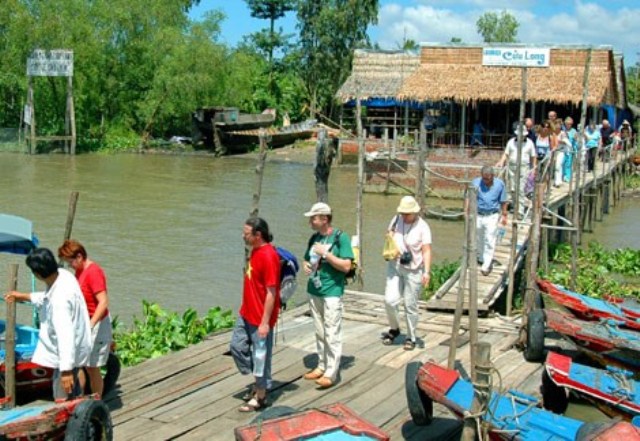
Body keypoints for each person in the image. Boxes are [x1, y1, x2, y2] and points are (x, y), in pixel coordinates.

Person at [4, 248, 91, 400]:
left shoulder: (59, 303)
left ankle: (71, 421)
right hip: (77, 348)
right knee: (74, 393)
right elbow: (47, 298)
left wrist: (66, 370)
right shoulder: (64, 276)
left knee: (62, 397)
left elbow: (65, 335)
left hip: (66, 355)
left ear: (37, 274)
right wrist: (25, 296)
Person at [230, 217, 281, 412]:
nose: (243, 236)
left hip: (260, 317)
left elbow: (271, 292)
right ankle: (260, 379)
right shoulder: (256, 251)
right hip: (246, 312)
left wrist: (265, 323)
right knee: (236, 346)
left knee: (260, 356)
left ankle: (260, 395)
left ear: (257, 235)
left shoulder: (268, 256)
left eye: (246, 233)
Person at [302, 202, 353, 389]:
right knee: (319, 330)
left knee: (332, 331)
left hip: (332, 291)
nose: (310, 221)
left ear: (324, 219)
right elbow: (306, 259)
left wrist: (327, 255)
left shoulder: (341, 238)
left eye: (313, 218)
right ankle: (321, 365)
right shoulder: (314, 238)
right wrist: (305, 265)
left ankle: (332, 371)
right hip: (314, 289)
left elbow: (346, 266)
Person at [58, 240, 112, 397]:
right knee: (79, 363)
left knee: (92, 366)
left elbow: (103, 302)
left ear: (79, 257)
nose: (70, 266)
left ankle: (96, 402)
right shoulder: (80, 271)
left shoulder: (93, 272)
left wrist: (90, 324)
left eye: (70, 263)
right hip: (84, 321)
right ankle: (79, 398)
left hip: (96, 323)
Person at [381, 196, 432, 351]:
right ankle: (394, 328)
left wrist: (427, 272)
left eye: (407, 213)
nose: (404, 216)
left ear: (415, 213)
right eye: (403, 212)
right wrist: (390, 239)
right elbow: (389, 234)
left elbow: (427, 250)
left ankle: (411, 336)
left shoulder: (423, 227)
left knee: (410, 305)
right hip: (395, 266)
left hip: (414, 270)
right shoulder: (396, 219)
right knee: (390, 300)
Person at [470, 166, 508, 276]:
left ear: (493, 177)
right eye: (484, 179)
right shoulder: (475, 183)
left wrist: (504, 215)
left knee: (490, 239)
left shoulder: (499, 184)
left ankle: (486, 264)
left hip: (492, 215)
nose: (485, 181)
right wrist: (467, 211)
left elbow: (503, 200)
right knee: (479, 237)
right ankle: (481, 258)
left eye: (488, 179)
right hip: (478, 214)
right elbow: (469, 197)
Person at [496, 125, 537, 219]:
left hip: (524, 167)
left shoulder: (530, 143)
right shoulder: (511, 142)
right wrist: (501, 161)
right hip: (512, 166)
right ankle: (515, 205)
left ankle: (520, 211)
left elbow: (533, 156)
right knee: (512, 188)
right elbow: (506, 154)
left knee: (521, 188)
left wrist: (534, 168)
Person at [562, 117, 578, 182]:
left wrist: (575, 137)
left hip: (570, 149)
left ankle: (568, 177)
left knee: (568, 163)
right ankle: (563, 175)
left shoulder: (573, 131)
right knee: (563, 162)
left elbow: (576, 139)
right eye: (567, 124)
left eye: (570, 124)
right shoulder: (563, 130)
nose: (568, 125)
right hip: (563, 148)